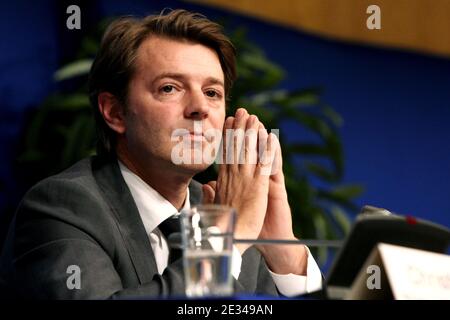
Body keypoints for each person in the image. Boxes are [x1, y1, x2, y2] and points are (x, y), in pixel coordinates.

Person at [0, 9, 322, 299]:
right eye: (169, 88)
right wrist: (227, 239)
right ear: (115, 112)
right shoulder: (62, 208)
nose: (199, 108)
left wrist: (282, 249)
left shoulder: (227, 213)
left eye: (212, 93)